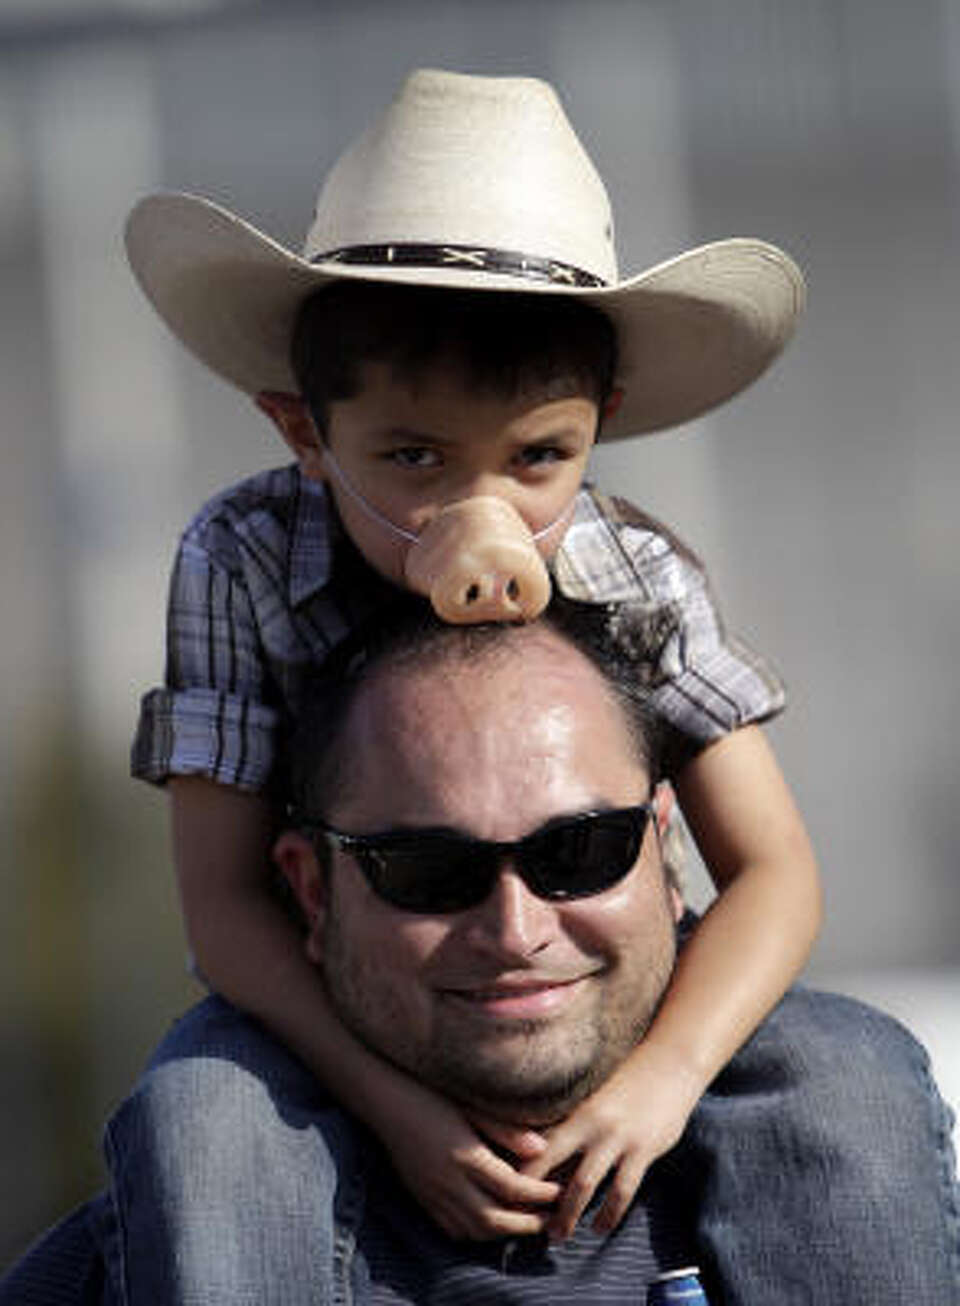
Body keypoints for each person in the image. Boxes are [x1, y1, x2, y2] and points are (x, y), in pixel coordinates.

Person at [115, 67, 823, 1255]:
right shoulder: (240, 557)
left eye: (538, 457)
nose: (483, 512)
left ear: (601, 425)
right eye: (414, 459)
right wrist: (390, 1102)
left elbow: (775, 869)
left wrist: (665, 1075)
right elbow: (221, 903)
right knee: (202, 1124)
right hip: (341, 1008)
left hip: (617, 1003)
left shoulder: (634, 567)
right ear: (303, 432)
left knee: (849, 1084)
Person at [2, 610, 957, 1302]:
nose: (515, 929)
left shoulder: (887, 1193)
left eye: (580, 851)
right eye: (429, 869)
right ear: (309, 891)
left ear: (666, 850)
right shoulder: (163, 1252)